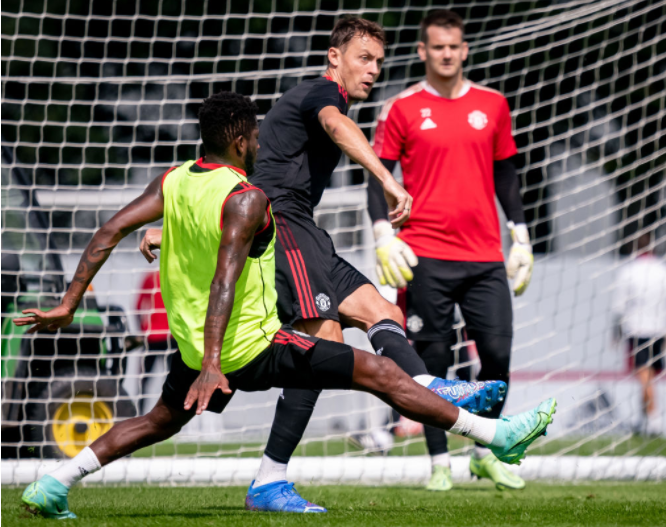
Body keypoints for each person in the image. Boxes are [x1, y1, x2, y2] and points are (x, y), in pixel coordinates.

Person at [15, 91, 555, 520]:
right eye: (254, 134)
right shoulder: (247, 197)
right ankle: (498, 437)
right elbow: (226, 277)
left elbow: (109, 230)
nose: (258, 143)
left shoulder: (175, 181)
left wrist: (68, 303)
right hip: (248, 347)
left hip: (198, 347)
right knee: (378, 370)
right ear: (242, 140)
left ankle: (54, 483)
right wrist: (212, 363)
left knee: (157, 420)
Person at [140, 16, 508, 512]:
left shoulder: (315, 102)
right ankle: (273, 479)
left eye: (379, 60)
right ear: (334, 58)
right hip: (284, 226)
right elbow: (334, 129)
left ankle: (426, 388)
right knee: (323, 342)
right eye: (364, 57)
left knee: (384, 312)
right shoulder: (320, 94)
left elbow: (229, 189)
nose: (373, 69)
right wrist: (388, 179)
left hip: (299, 228)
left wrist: (178, 229)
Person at [365, 10, 534, 491]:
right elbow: (379, 176)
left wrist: (520, 233)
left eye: (453, 46)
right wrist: (383, 234)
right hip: (425, 256)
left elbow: (506, 173)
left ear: (464, 49)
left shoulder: (493, 105)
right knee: (432, 365)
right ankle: (439, 463)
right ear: (423, 51)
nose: (445, 53)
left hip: (485, 256)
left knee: (497, 354)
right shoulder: (401, 107)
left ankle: (483, 451)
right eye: (436, 46)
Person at [613, 232, 666, 437]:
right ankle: (643, 420)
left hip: (637, 329)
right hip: (659, 329)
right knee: (649, 376)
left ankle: (654, 421)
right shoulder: (662, 270)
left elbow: (619, 305)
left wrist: (616, 331)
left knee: (645, 377)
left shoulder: (629, 271)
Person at [135, 269, 177, 414]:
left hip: (152, 336)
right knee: (174, 380)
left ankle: (140, 414)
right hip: (171, 336)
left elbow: (138, 306)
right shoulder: (176, 277)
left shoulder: (150, 277)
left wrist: (142, 330)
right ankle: (173, 414)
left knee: (144, 380)